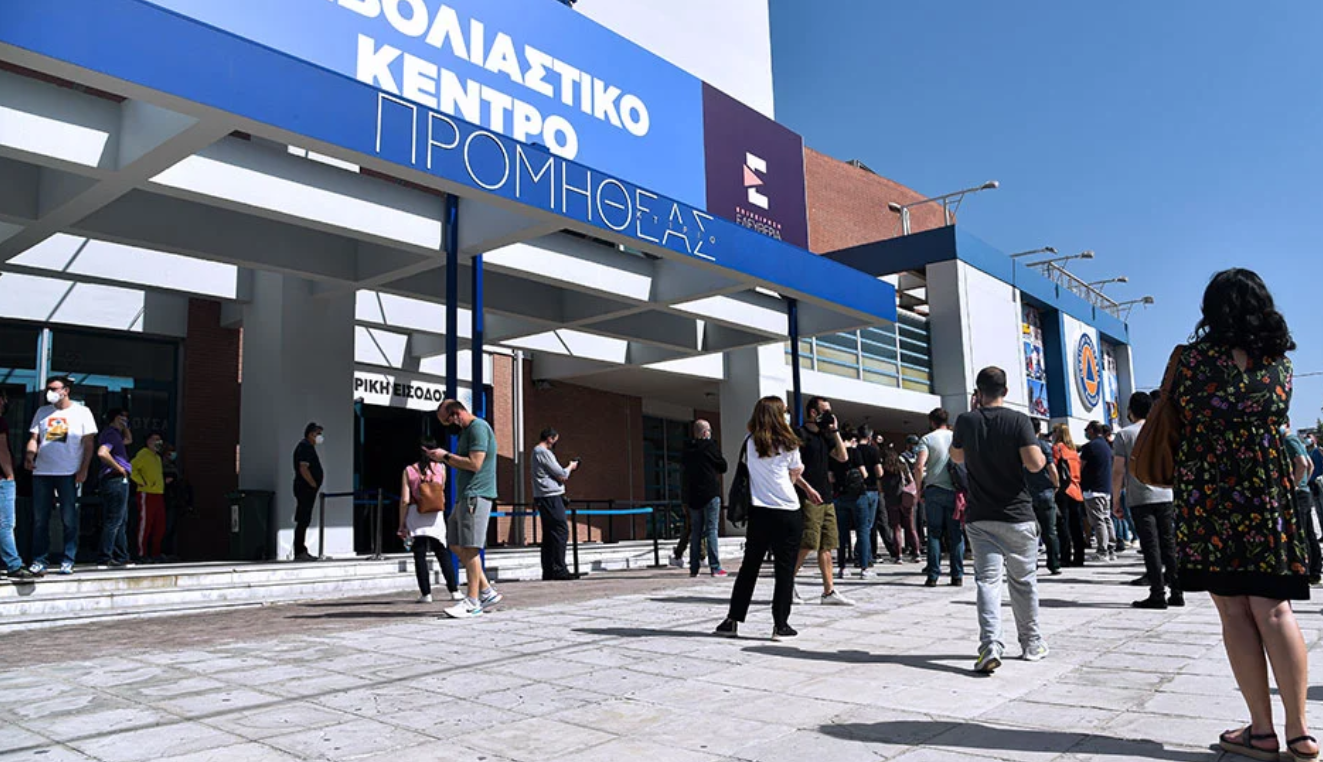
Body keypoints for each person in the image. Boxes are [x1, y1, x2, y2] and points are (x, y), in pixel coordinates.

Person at [1164, 269, 1314, 761]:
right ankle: (1300, 733)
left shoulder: (1191, 361)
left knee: (1233, 611)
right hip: (1265, 493)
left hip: (1210, 493)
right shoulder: (1280, 366)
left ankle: (1262, 732)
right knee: (1275, 610)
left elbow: (1180, 416)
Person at [951, 366, 1050, 674]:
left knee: (987, 582)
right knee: (1023, 582)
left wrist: (973, 416)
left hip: (980, 517)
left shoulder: (966, 420)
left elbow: (956, 457)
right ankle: (1031, 643)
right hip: (1017, 514)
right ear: (1005, 391)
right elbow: (1034, 464)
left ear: (978, 392)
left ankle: (990, 645)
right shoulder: (1019, 420)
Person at [714, 396, 805, 641]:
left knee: (749, 567)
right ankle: (780, 625)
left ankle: (732, 619)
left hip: (759, 511)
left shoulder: (749, 441)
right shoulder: (790, 443)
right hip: (788, 510)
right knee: (784, 570)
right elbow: (794, 473)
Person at [426, 399, 502, 618]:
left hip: (475, 496)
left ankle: (472, 602)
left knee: (470, 548)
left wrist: (445, 456)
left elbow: (475, 464)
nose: (447, 427)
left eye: (446, 421)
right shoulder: (466, 432)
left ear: (457, 414)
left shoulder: (478, 428)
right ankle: (486, 590)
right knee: (454, 542)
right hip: (465, 497)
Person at [1113, 392, 1182, 609]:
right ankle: (1177, 591)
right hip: (1165, 494)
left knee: (1151, 546)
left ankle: (1157, 593)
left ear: (1130, 410)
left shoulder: (1124, 435)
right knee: (1168, 543)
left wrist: (1115, 499)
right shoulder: (1161, 431)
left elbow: (1118, 470)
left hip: (1140, 497)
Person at [25, 376, 97, 576]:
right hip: (42, 471)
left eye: (54, 388)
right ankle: (39, 560)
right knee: (40, 519)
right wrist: (29, 455)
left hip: (67, 472)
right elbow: (34, 438)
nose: (50, 392)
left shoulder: (82, 412)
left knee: (68, 518)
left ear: (66, 390)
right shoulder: (42, 412)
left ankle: (68, 559)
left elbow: (89, 444)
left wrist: (84, 469)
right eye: (48, 388)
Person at [791, 397, 853, 606]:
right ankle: (786, 584)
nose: (829, 415)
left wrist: (835, 431)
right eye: (825, 411)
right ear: (812, 412)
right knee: (807, 543)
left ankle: (829, 591)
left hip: (826, 496)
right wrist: (807, 489)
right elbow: (790, 468)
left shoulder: (826, 436)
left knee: (827, 545)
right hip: (808, 496)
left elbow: (843, 457)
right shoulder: (799, 434)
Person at [399, 437, 461, 603]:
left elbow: (405, 500)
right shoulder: (441, 468)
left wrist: (401, 523)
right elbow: (441, 491)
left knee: (419, 555)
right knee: (442, 553)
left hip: (415, 513)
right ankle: (454, 590)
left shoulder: (409, 470)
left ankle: (426, 594)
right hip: (435, 515)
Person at [915, 408, 962, 586]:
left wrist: (919, 489)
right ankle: (957, 575)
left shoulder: (927, 439)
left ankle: (933, 575)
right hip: (955, 490)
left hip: (934, 489)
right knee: (955, 534)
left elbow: (919, 466)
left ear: (931, 421)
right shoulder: (956, 437)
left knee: (934, 533)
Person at [531, 427, 579, 581]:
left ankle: (549, 570)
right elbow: (562, 474)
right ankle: (559, 569)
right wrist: (571, 466)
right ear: (550, 438)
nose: (555, 443)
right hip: (550, 497)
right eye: (555, 440)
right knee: (560, 530)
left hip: (544, 497)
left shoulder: (537, 452)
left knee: (550, 534)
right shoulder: (543, 452)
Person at [682, 419, 727, 578]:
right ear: (706, 432)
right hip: (710, 493)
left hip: (693, 496)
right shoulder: (710, 447)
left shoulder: (688, 450)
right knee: (711, 530)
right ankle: (715, 567)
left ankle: (694, 568)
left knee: (696, 532)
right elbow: (723, 466)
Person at [831, 427, 872, 578]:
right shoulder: (855, 452)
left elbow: (830, 478)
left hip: (840, 495)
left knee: (842, 534)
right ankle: (864, 568)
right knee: (862, 531)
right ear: (852, 440)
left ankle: (842, 567)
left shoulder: (833, 454)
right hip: (858, 496)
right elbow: (864, 474)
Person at [95, 409, 133, 568]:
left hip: (117, 479)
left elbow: (129, 440)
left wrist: (125, 427)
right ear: (114, 418)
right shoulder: (111, 433)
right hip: (115, 479)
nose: (124, 419)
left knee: (121, 520)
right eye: (122, 417)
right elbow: (102, 453)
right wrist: (119, 468)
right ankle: (105, 557)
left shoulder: (116, 435)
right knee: (114, 520)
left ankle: (122, 556)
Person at [0, 392, 32, 580]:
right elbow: (1, 450)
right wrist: (10, 475)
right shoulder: (0, 422)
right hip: (2, 480)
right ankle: (13, 564)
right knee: (6, 524)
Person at [1285, 424, 1320, 586]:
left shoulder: (1289, 441)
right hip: (1304, 492)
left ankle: (1305, 571)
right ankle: (1314, 570)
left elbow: (1303, 464)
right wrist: (1304, 482)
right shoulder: (1297, 441)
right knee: (1309, 532)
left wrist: (1295, 485)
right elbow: (1310, 465)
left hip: (1299, 494)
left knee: (1302, 533)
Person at [1028, 422, 1061, 575]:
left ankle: (1031, 563)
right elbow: (1051, 467)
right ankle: (1054, 564)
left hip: (1027, 494)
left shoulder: (1020, 446)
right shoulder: (1043, 446)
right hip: (1045, 492)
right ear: (1039, 430)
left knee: (1030, 532)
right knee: (1050, 531)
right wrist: (1056, 484)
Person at [1079, 421, 1115, 562]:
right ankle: (1111, 548)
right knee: (1106, 518)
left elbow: (1080, 467)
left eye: (1087, 430)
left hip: (1092, 489)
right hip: (1105, 488)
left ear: (1092, 430)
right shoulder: (1106, 446)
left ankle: (1102, 551)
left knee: (1098, 520)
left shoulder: (1090, 447)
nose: (1086, 432)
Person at [1052, 424, 1086, 567]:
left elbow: (1052, 468)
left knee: (1063, 525)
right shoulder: (1073, 451)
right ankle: (1079, 557)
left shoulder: (1057, 448)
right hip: (1076, 490)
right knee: (1076, 526)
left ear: (1057, 433)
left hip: (1063, 490)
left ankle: (1065, 556)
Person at [130, 432, 167, 563]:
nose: (158, 442)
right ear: (148, 441)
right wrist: (141, 482)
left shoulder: (157, 457)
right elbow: (131, 468)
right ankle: (141, 554)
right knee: (145, 524)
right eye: (155, 439)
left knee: (159, 525)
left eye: (159, 439)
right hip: (146, 493)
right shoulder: (143, 454)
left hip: (158, 493)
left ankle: (155, 553)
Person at [857, 426, 892, 562]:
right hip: (871, 488)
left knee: (860, 525)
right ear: (870, 437)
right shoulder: (873, 451)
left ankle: (860, 553)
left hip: (854, 490)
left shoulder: (853, 450)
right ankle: (866, 556)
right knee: (869, 525)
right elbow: (879, 473)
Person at [881, 448, 920, 565]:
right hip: (904, 498)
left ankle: (899, 556)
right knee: (911, 528)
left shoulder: (883, 469)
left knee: (896, 528)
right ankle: (917, 553)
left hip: (891, 500)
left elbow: (880, 487)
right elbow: (911, 480)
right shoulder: (902, 466)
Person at [292, 423, 324, 562]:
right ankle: (299, 551)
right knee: (303, 519)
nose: (320, 437)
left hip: (307, 489)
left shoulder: (308, 447)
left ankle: (301, 549)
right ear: (310, 434)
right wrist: (312, 483)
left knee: (305, 518)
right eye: (317, 433)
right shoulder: (304, 447)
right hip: (305, 489)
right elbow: (303, 468)